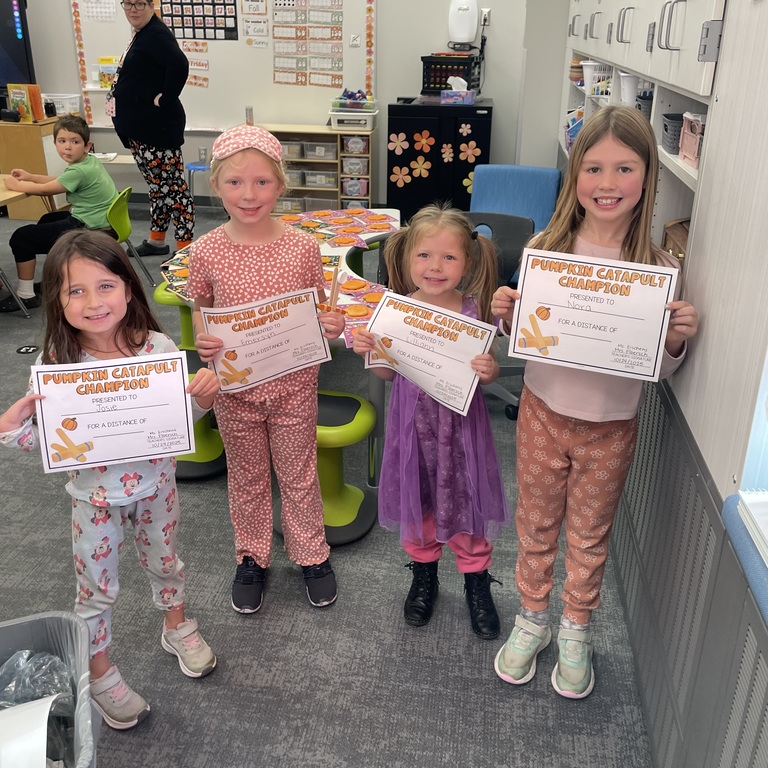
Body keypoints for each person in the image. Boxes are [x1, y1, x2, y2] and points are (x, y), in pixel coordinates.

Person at [492, 106, 699, 698]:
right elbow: (526, 342)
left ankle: (576, 628)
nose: (607, 184)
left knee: (587, 536)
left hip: (611, 427)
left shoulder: (657, 270)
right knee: (535, 524)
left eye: (625, 169)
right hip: (541, 411)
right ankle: (532, 618)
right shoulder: (545, 248)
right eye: (594, 168)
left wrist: (676, 338)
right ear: (576, 174)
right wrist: (508, 317)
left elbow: (656, 367)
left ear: (647, 178)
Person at [0, 230, 220, 730]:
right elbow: (50, 441)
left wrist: (204, 398)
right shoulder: (58, 365)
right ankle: (99, 673)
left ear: (126, 288)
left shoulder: (157, 347)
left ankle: (176, 625)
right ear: (56, 299)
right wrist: (11, 429)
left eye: (105, 286)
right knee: (96, 589)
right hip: (93, 498)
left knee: (166, 561)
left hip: (158, 486)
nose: (94, 302)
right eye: (75, 291)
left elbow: (179, 419)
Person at [187, 124, 345, 613]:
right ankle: (252, 555)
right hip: (236, 390)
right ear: (216, 185)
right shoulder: (206, 250)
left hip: (295, 385)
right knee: (248, 475)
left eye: (261, 182)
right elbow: (201, 307)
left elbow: (317, 313)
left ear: (281, 185)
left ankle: (311, 553)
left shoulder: (301, 247)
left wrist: (331, 323)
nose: (249, 194)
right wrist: (202, 336)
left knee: (298, 473)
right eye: (235, 183)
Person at [352, 204, 509, 639]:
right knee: (418, 500)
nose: (435, 267)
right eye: (424, 256)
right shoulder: (396, 311)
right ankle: (424, 575)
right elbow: (386, 375)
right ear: (405, 260)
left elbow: (488, 370)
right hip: (412, 428)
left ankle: (477, 581)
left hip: (461, 432)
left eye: (448, 257)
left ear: (468, 262)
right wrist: (372, 351)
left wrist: (490, 371)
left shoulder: (477, 313)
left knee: (467, 501)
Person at [1, 115, 117, 313]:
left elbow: (48, 190)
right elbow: (59, 180)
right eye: (62, 141)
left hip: (90, 228)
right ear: (55, 143)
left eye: (75, 142)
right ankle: (57, 276)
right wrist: (30, 177)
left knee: (21, 237)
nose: (68, 147)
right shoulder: (87, 163)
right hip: (103, 222)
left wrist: (17, 184)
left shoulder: (79, 171)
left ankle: (26, 295)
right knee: (48, 220)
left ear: (87, 146)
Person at [110, 0, 193, 256]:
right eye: (128, 3)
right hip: (141, 130)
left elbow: (179, 64)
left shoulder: (155, 34)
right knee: (158, 188)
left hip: (156, 130)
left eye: (139, 4)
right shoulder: (141, 33)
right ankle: (157, 240)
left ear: (150, 5)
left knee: (174, 190)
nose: (133, 9)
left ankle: (186, 249)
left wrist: (166, 97)